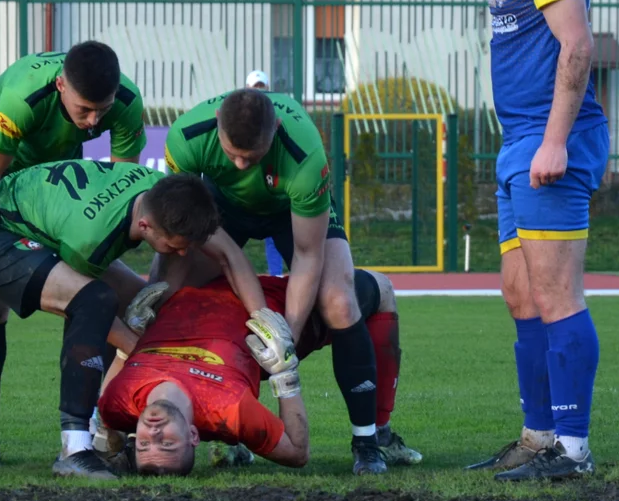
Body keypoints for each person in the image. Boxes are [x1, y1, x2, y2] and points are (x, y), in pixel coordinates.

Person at [441, 0, 607, 481]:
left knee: (558, 295)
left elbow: (577, 44)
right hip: (521, 140)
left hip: (549, 140)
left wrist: (555, 142)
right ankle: (538, 437)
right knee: (520, 295)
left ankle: (573, 448)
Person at [0, 160, 275, 478]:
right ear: (146, 226)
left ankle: (132, 429)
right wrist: (150, 358)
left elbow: (231, 255)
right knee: (95, 302)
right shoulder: (90, 239)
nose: (180, 254)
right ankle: (75, 449)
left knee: (160, 317)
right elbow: (87, 313)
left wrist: (266, 323)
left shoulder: (167, 194)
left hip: (41, 225)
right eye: (174, 246)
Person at [159, 87, 387, 475]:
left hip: (288, 211)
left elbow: (308, 254)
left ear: (277, 130)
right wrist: (222, 258)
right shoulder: (186, 136)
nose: (243, 164)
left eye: (253, 155)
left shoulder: (305, 156)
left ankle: (367, 442)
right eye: (232, 153)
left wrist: (287, 339)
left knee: (339, 302)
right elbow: (180, 220)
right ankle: (147, 422)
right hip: (217, 209)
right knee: (170, 292)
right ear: (217, 126)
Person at [0, 43, 147, 467]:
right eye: (84, 110)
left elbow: (125, 187)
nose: (94, 121)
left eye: (103, 109)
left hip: (59, 170)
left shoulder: (128, 103)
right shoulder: (23, 98)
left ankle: (98, 424)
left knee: (84, 284)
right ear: (60, 85)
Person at [97, 270, 422, 475]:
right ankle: (379, 431)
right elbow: (297, 453)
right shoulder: (227, 408)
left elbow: (106, 436)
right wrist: (285, 374)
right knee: (380, 288)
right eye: (166, 444)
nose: (153, 435)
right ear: (192, 436)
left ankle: (229, 446)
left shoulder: (116, 403)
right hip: (274, 308)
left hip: (203, 281)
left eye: (143, 445)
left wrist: (131, 339)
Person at [246, 70, 286, 278]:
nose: (260, 93)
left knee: (274, 231)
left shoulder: (276, 115)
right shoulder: (240, 116)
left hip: (270, 181)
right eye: (256, 88)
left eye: (262, 88)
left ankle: (276, 275)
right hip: (246, 184)